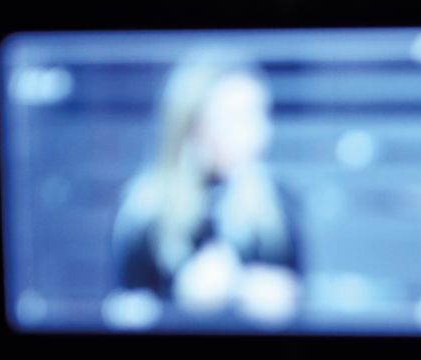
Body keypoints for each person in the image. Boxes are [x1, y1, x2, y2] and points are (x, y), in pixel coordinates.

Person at [108, 51, 301, 326]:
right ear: (195, 124)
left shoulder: (278, 203)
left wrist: (259, 291)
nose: (260, 133)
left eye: (260, 114)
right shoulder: (143, 210)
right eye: (238, 117)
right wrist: (178, 301)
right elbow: (125, 310)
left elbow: (299, 295)